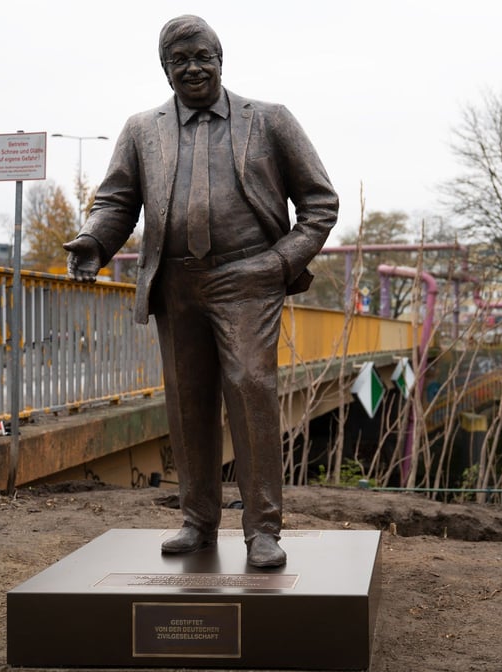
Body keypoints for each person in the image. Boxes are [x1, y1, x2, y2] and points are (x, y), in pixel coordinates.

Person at [63, 15, 338, 568]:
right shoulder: (142, 130)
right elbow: (117, 201)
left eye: (202, 57)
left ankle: (262, 529)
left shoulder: (270, 120)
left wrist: (276, 264)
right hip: (176, 285)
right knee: (188, 405)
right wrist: (95, 240)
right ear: (165, 69)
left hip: (248, 279)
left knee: (251, 389)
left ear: (220, 58)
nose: (192, 68)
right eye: (179, 60)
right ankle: (197, 520)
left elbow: (320, 204)